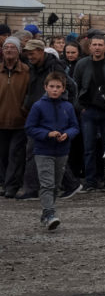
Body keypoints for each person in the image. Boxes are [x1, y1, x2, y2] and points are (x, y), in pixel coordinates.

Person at [24, 72, 79, 231]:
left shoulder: (68, 107)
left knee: (56, 184)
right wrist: (47, 134)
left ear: (63, 89)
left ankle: (47, 212)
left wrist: (68, 134)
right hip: (43, 150)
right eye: (52, 87)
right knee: (47, 183)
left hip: (62, 151)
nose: (54, 90)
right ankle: (49, 213)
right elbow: (30, 128)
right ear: (45, 87)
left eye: (58, 87)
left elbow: (75, 127)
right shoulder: (38, 106)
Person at [72, 34, 105, 192]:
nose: (98, 47)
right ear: (90, 47)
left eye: (101, 44)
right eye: (95, 44)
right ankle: (91, 181)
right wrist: (80, 107)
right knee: (89, 148)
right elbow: (75, 87)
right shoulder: (82, 64)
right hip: (89, 111)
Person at [1, 37, 30, 198]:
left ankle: (12, 185)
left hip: (20, 121)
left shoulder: (26, 71)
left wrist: (24, 110)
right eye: (6, 48)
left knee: (15, 155)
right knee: (3, 155)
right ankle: (4, 182)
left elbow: (30, 95)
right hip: (1, 121)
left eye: (13, 47)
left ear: (18, 51)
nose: (9, 50)